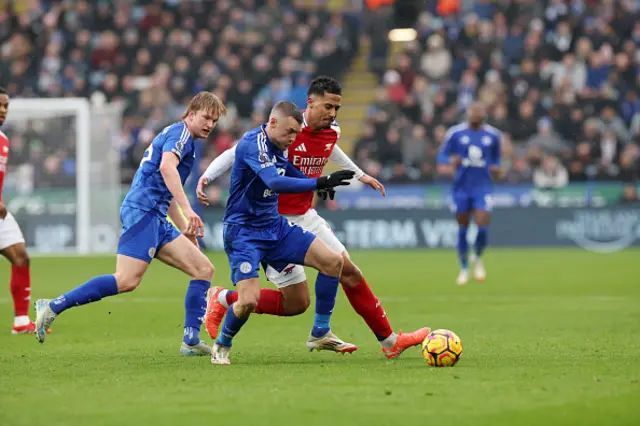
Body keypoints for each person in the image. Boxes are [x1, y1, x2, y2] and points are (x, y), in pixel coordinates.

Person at [198, 76, 430, 359]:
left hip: (304, 215)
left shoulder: (331, 131)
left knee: (347, 270)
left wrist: (359, 175)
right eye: (328, 106)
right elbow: (238, 155)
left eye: (337, 108)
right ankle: (225, 299)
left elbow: (330, 149)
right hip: (273, 218)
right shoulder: (282, 129)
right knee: (295, 303)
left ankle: (386, 340)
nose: (332, 113)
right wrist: (207, 177)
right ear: (310, 103)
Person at [34, 92, 226, 356]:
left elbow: (167, 187)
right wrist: (188, 209)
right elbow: (166, 169)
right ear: (191, 114)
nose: (210, 125)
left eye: (214, 121)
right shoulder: (180, 135)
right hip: (142, 211)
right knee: (126, 280)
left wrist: (183, 225)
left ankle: (190, 340)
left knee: (204, 269)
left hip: (156, 215)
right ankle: (53, 305)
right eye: (206, 117)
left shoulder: (186, 140)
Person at [211, 100, 356, 364]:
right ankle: (223, 342)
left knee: (333, 263)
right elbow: (274, 181)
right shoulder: (252, 144)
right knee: (248, 301)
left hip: (275, 227)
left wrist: (315, 187)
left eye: (295, 134)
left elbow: (288, 171)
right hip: (244, 233)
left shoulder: (279, 145)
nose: (292, 138)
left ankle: (320, 332)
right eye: (289, 132)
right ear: (273, 122)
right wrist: (319, 181)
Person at [438, 102, 502, 285]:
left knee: (482, 225)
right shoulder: (455, 133)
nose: (476, 115)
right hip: (461, 187)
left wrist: (497, 169)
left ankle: (478, 256)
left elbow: (496, 159)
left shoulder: (493, 135)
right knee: (463, 227)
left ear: (484, 115)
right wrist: (452, 160)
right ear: (468, 114)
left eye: (479, 112)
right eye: (473, 112)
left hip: (483, 187)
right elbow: (441, 156)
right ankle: (464, 267)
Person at [0, 86, 38, 334]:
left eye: (6, 107)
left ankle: (21, 321)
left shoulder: (3, 140)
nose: (3, 111)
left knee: (21, 257)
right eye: (0, 106)